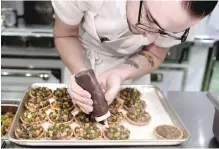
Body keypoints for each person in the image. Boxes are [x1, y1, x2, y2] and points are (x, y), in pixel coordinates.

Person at [51, 0, 217, 113]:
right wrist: (82, 74)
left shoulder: (181, 16)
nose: (151, 38)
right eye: (150, 18)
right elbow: (65, 36)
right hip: (81, 59)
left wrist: (120, 73)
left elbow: (154, 53)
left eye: (168, 32)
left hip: (134, 73)